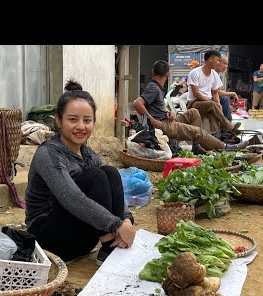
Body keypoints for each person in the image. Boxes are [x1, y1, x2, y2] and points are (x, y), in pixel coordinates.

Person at [25, 79, 136, 265]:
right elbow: (71, 197)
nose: (81, 126)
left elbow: (112, 187)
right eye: (72, 119)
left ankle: (113, 246)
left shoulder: (87, 153)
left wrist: (126, 221)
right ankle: (110, 248)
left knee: (110, 172)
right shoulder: (49, 153)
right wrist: (115, 225)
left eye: (87, 120)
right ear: (58, 120)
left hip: (82, 240)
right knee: (96, 176)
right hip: (50, 241)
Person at [133, 60, 248, 155]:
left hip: (166, 119)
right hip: (163, 125)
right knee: (197, 131)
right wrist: (152, 120)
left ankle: (196, 146)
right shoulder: (153, 88)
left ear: (152, 71)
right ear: (168, 74)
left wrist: (167, 111)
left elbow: (153, 106)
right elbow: (137, 104)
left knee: (194, 112)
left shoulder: (157, 87)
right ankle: (225, 147)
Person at [185, 50, 241, 134]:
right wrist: (211, 102)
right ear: (210, 59)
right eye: (217, 60)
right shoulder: (195, 73)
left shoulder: (214, 74)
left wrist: (218, 104)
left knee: (213, 114)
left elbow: (215, 92)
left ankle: (218, 136)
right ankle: (230, 128)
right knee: (212, 104)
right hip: (194, 103)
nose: (218, 63)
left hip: (207, 103)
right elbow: (196, 93)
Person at [215, 55, 239, 121]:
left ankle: (227, 124)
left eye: (227, 64)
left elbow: (217, 91)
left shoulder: (217, 74)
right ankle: (228, 125)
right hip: (206, 97)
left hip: (212, 96)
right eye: (224, 63)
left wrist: (227, 106)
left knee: (225, 99)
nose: (226, 66)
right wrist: (233, 93)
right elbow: (216, 92)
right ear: (217, 62)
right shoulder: (213, 73)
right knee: (224, 99)